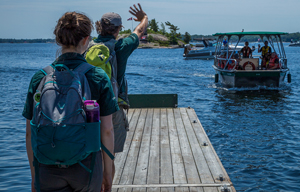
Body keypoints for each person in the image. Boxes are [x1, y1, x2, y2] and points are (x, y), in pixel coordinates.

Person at [23, 12, 119, 192]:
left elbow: (30, 133)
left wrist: (34, 176)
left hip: (47, 167)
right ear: (86, 40)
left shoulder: (40, 78)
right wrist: (107, 173)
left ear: (58, 40)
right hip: (87, 168)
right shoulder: (97, 77)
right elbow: (107, 130)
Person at [88, 3, 148, 181]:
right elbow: (139, 31)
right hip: (112, 107)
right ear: (118, 29)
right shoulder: (121, 47)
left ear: (100, 27)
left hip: (88, 107)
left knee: (92, 155)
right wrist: (144, 17)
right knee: (108, 157)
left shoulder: (88, 46)